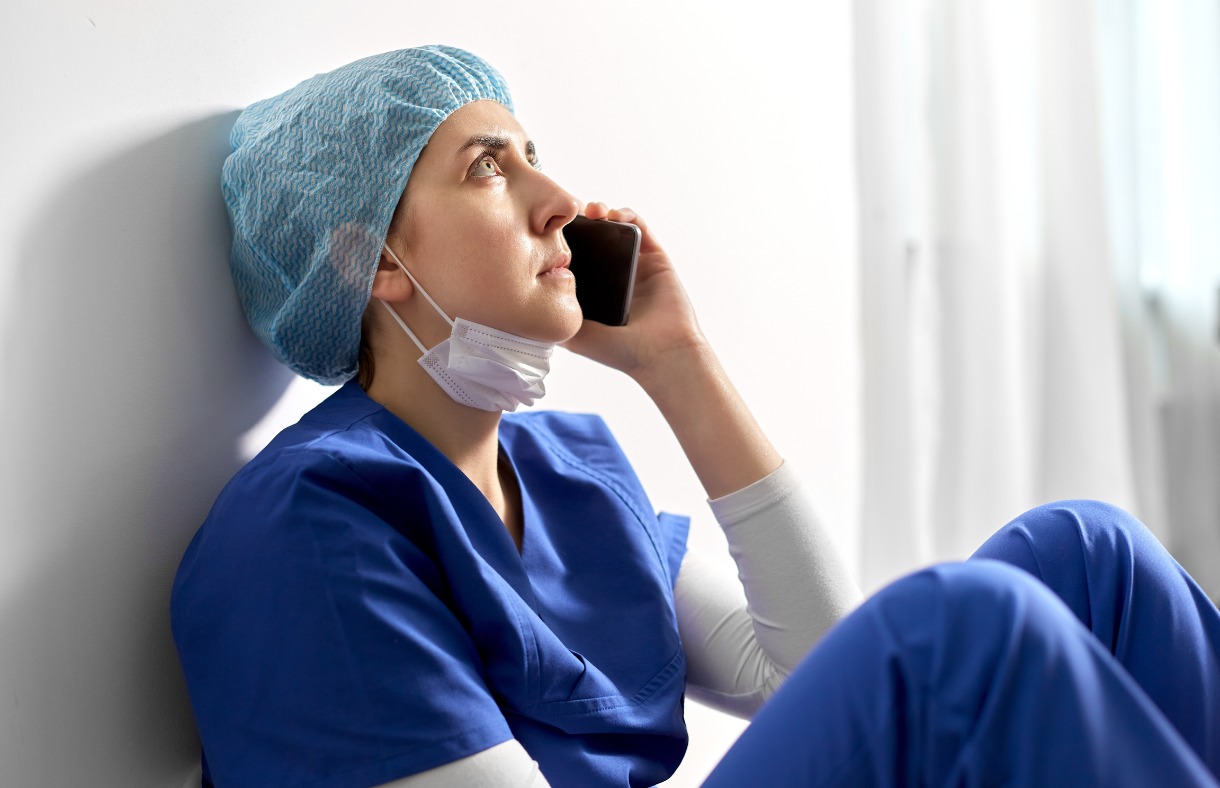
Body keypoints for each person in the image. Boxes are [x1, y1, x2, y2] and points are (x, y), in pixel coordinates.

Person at [171, 47, 1220, 788]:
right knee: (958, 635)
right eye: (489, 167)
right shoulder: (313, 527)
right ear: (371, 261)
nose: (557, 197)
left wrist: (676, 362)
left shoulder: (567, 472)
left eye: (531, 153)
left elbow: (801, 665)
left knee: (1090, 555)